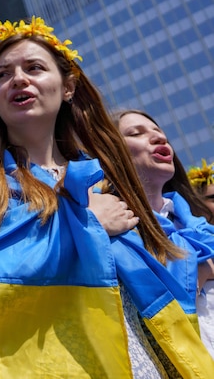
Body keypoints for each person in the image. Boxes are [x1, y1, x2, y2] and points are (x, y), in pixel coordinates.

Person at [0, 17, 214, 378]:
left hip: (129, 359)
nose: (18, 79)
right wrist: (90, 225)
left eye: (34, 68)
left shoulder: (103, 182)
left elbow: (156, 267)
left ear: (68, 87)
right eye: (2, 75)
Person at [115, 109, 214, 356]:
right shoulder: (116, 230)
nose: (159, 138)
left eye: (159, 133)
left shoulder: (198, 225)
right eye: (136, 133)